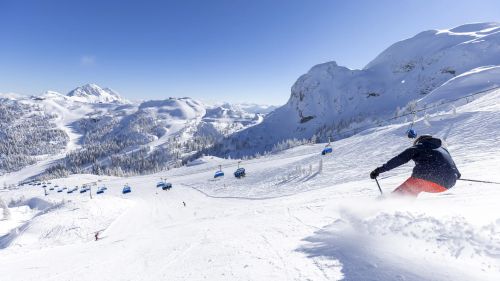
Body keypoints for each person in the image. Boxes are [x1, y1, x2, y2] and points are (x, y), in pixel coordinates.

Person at [370, 135, 461, 197]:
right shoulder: (443, 150)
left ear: (419, 141)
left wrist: (378, 170)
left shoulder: (420, 146)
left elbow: (399, 159)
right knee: (413, 190)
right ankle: (402, 211)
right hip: (446, 184)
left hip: (427, 178)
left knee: (403, 193)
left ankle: (387, 208)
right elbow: (458, 174)